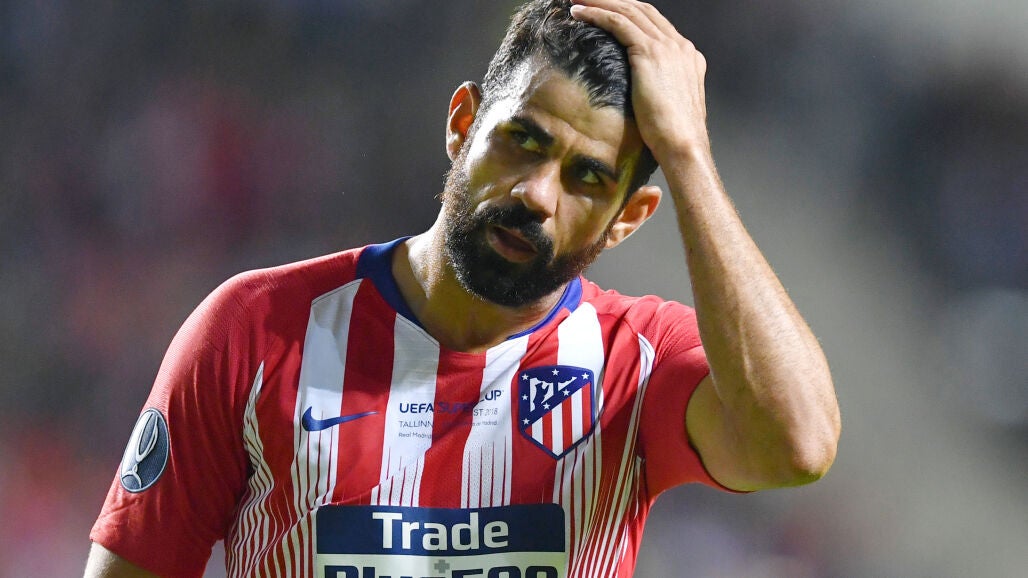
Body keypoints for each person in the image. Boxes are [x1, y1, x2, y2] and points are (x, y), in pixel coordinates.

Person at [85, 0, 840, 576]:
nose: (537, 194)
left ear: (629, 219)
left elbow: (798, 446)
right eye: (523, 140)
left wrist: (688, 155)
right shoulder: (254, 330)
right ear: (463, 123)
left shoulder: (636, 364)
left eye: (586, 178)